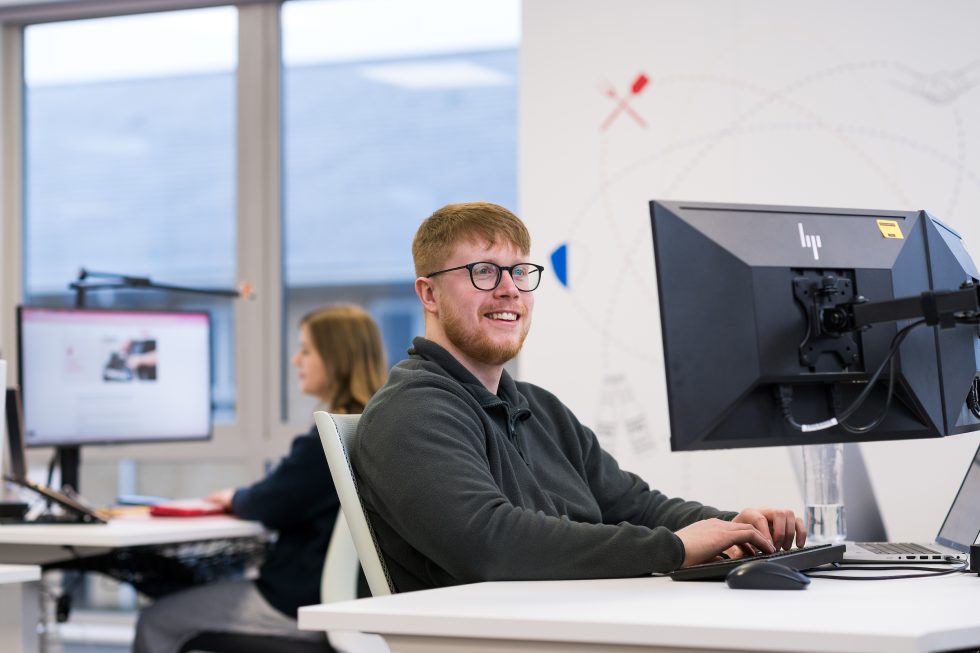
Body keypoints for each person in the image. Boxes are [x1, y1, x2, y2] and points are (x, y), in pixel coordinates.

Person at [354, 202, 806, 593]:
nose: (509, 288)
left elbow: (638, 507)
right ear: (429, 293)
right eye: (483, 271)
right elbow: (490, 544)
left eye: (519, 271)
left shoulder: (540, 409)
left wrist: (738, 527)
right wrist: (675, 549)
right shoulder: (411, 411)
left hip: (570, 621)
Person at [134, 304, 387, 653]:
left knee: (157, 619)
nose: (297, 361)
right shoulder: (374, 428)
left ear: (336, 357)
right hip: (351, 606)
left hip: (297, 602)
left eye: (306, 350)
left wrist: (235, 498)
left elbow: (271, 503)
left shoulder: (328, 438)